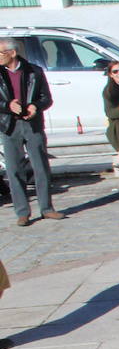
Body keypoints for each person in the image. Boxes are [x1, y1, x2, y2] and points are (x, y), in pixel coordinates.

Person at [0, 36, 61, 228]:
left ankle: (46, 208)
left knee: (40, 166)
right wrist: (8, 105)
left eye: (0, 53)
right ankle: (22, 212)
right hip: (9, 125)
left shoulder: (34, 71)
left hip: (32, 123)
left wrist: (36, 106)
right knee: (14, 169)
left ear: (12, 53)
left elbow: (47, 98)